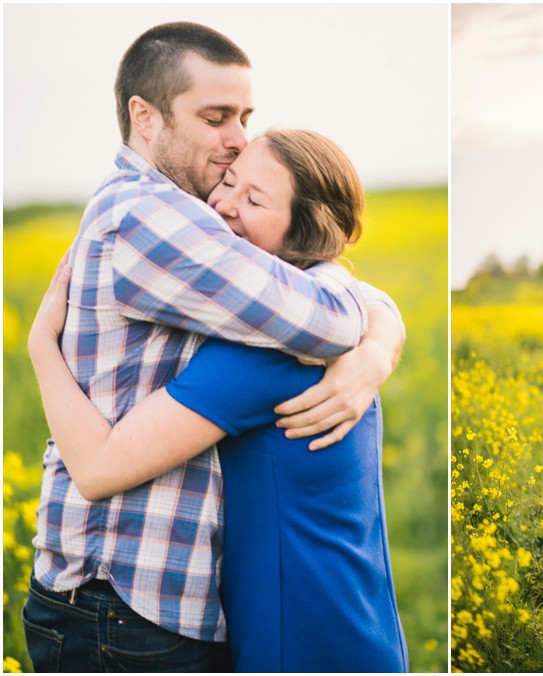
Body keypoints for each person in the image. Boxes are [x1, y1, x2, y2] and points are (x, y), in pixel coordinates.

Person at [23, 23, 404, 672]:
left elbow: (328, 289)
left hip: (150, 599)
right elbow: (329, 318)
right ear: (144, 117)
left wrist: (379, 344)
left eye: (244, 115)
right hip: (122, 601)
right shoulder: (149, 216)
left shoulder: (187, 215)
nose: (237, 139)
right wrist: (368, 342)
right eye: (215, 116)